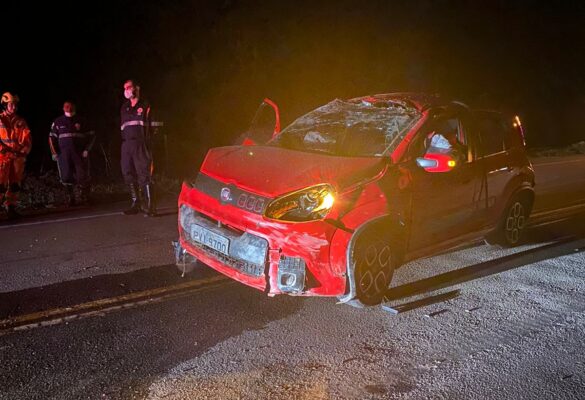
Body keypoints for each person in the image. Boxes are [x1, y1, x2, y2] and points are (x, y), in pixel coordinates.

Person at [120, 79, 157, 217]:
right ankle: (136, 203)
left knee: (144, 174)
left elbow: (154, 127)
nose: (127, 90)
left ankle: (149, 207)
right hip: (127, 144)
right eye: (125, 88)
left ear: (137, 88)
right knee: (127, 172)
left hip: (141, 144)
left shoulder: (146, 105)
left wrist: (149, 144)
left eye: (129, 87)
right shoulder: (124, 107)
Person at [49, 101, 95, 206]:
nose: (69, 108)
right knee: (66, 176)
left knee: (82, 175)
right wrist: (54, 152)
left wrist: (87, 149)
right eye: (66, 106)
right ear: (63, 108)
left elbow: (92, 136)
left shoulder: (82, 120)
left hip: (79, 153)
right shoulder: (58, 122)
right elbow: (52, 138)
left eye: (71, 107)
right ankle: (71, 198)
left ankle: (85, 197)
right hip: (64, 154)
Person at [0, 92, 32, 219]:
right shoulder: (0, 119)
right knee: (1, 184)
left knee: (15, 184)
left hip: (17, 157)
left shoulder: (20, 121)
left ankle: (11, 207)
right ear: (5, 105)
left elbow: (27, 138)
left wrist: (24, 151)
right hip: (3, 156)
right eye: (11, 104)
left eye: (15, 104)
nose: (14, 107)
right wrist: (3, 150)